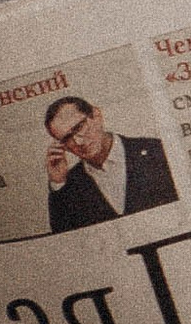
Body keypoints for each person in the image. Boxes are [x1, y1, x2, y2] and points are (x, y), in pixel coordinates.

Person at [42, 93, 178, 232]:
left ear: (96, 115)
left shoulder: (158, 150)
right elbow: (67, 242)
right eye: (67, 138)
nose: (79, 141)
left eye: (79, 127)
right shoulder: (69, 185)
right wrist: (58, 183)